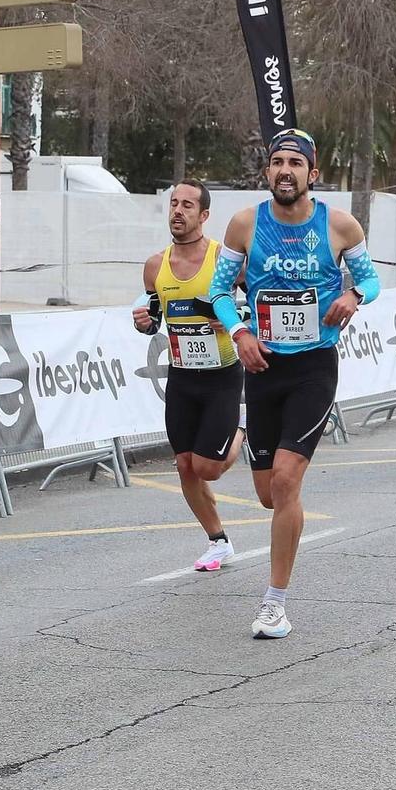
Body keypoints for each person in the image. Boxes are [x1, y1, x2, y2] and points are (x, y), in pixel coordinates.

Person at [208, 129, 380, 639]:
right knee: (267, 493)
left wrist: (353, 298)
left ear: (313, 173)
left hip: (313, 367)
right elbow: (220, 291)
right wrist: (238, 332)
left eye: (295, 163)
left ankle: (274, 602)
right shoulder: (244, 225)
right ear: (268, 173)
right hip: (262, 367)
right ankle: (268, 474)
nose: (285, 170)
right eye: (277, 162)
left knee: (285, 480)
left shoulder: (340, 226)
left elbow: (370, 280)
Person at [134, 179, 244, 568]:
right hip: (181, 377)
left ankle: (244, 429)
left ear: (204, 215)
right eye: (173, 204)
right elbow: (153, 318)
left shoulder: (225, 259)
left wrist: (236, 319)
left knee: (208, 469)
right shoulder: (155, 266)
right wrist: (145, 322)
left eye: (187, 206)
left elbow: (258, 301)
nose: (178, 212)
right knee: (184, 465)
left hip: (222, 374)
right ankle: (218, 540)